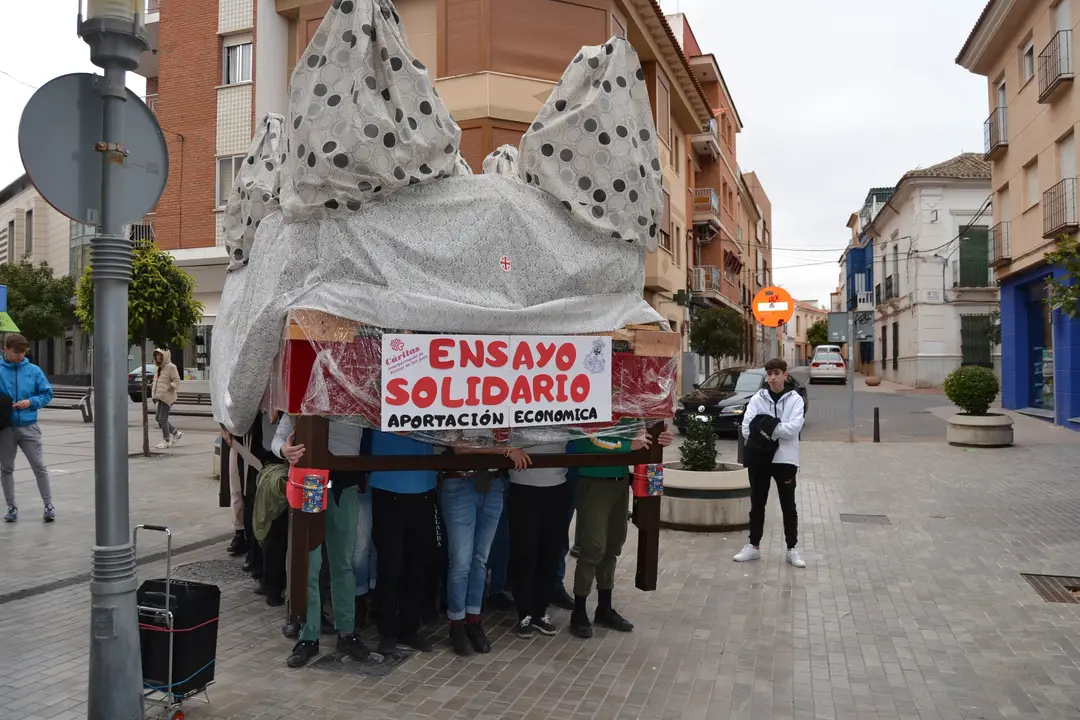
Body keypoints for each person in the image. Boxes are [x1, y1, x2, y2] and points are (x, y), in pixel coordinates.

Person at [273, 415, 370, 668]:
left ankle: (347, 632)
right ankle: (309, 635)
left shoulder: (353, 395)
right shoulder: (306, 393)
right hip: (312, 484)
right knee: (309, 564)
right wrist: (284, 449)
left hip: (344, 485)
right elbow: (279, 437)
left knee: (343, 564)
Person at [568, 425, 673, 639]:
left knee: (613, 545)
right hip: (593, 481)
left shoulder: (627, 406)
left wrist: (658, 437)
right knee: (593, 547)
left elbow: (641, 435)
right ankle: (579, 611)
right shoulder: (591, 402)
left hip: (621, 480)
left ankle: (604, 608)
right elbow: (584, 440)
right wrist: (626, 445)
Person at [441, 443, 529, 655]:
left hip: (493, 483)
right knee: (461, 562)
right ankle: (456, 624)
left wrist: (505, 448)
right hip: (459, 480)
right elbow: (459, 448)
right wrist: (505, 450)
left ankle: (474, 620)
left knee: (480, 561)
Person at [368, 430, 440, 656]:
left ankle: (409, 628)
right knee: (390, 566)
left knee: (417, 566)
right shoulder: (377, 395)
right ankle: (387, 631)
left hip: (424, 487)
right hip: (387, 486)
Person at [734, 358, 807, 568]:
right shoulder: (758, 398)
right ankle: (753, 546)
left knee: (788, 505)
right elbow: (747, 428)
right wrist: (775, 429)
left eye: (776, 373)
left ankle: (792, 549)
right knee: (757, 503)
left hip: (785, 459)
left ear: (785, 375)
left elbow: (792, 429)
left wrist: (765, 427)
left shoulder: (795, 400)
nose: (772, 378)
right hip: (760, 458)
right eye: (769, 374)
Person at [508, 443, 570, 638]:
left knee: (550, 552)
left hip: (558, 484)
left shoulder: (563, 411)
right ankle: (524, 614)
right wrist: (509, 450)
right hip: (523, 485)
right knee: (524, 553)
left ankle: (541, 612)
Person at [0, 334, 55, 523]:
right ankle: (11, 507)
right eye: (15, 352)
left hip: (29, 426)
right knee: (6, 468)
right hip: (5, 428)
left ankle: (48, 505)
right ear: (5, 350)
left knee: (39, 466)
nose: (19, 356)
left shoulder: (33, 370)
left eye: (22, 352)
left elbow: (47, 393)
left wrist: (31, 402)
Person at [151, 348, 182, 449]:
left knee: (163, 419)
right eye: (157, 355)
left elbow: (177, 380)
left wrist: (169, 387)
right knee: (158, 418)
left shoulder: (171, 367)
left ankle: (166, 440)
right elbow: (156, 381)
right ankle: (175, 433)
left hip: (168, 396)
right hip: (160, 396)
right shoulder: (158, 367)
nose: (158, 357)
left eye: (160, 355)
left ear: (165, 356)